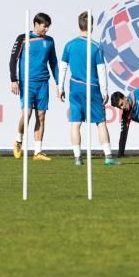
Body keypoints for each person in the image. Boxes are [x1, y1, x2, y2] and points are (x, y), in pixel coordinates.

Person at [60, 11, 117, 166]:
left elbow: (63, 68)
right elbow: (102, 70)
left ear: (79, 24)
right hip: (92, 88)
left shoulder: (69, 45)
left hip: (75, 88)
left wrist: (60, 88)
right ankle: (108, 156)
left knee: (75, 123)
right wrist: (105, 91)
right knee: (101, 122)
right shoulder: (96, 47)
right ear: (92, 26)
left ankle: (78, 158)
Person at [9, 12, 60, 161]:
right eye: (45, 26)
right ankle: (18, 141)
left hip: (43, 83)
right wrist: (14, 80)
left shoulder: (49, 41)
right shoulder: (23, 38)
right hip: (27, 83)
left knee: (41, 116)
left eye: (48, 27)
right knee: (27, 114)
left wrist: (59, 83)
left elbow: (54, 62)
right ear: (36, 24)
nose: (47, 30)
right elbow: (13, 60)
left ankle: (37, 152)